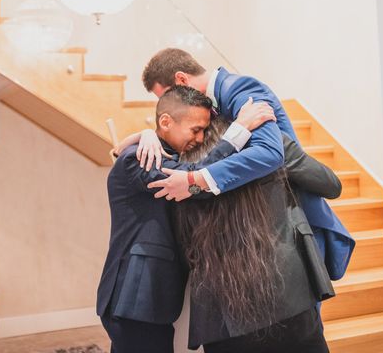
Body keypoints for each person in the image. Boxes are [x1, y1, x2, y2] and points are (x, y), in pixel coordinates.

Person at [141, 48, 354, 280]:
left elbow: (270, 153)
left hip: (293, 225)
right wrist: (146, 134)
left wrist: (197, 180)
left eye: (168, 95)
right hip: (258, 229)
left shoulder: (241, 89)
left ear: (182, 79)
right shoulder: (209, 106)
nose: (169, 104)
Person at [96, 86, 276, 353]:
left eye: (205, 130)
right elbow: (193, 180)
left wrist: (144, 133)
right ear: (166, 122)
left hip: (148, 299)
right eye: (195, 130)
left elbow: (191, 183)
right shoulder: (139, 157)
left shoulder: (162, 153)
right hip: (134, 295)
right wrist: (238, 131)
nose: (201, 138)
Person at [175, 117, 341, 352]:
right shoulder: (269, 145)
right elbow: (331, 185)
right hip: (288, 295)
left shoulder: (186, 163)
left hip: (222, 313)